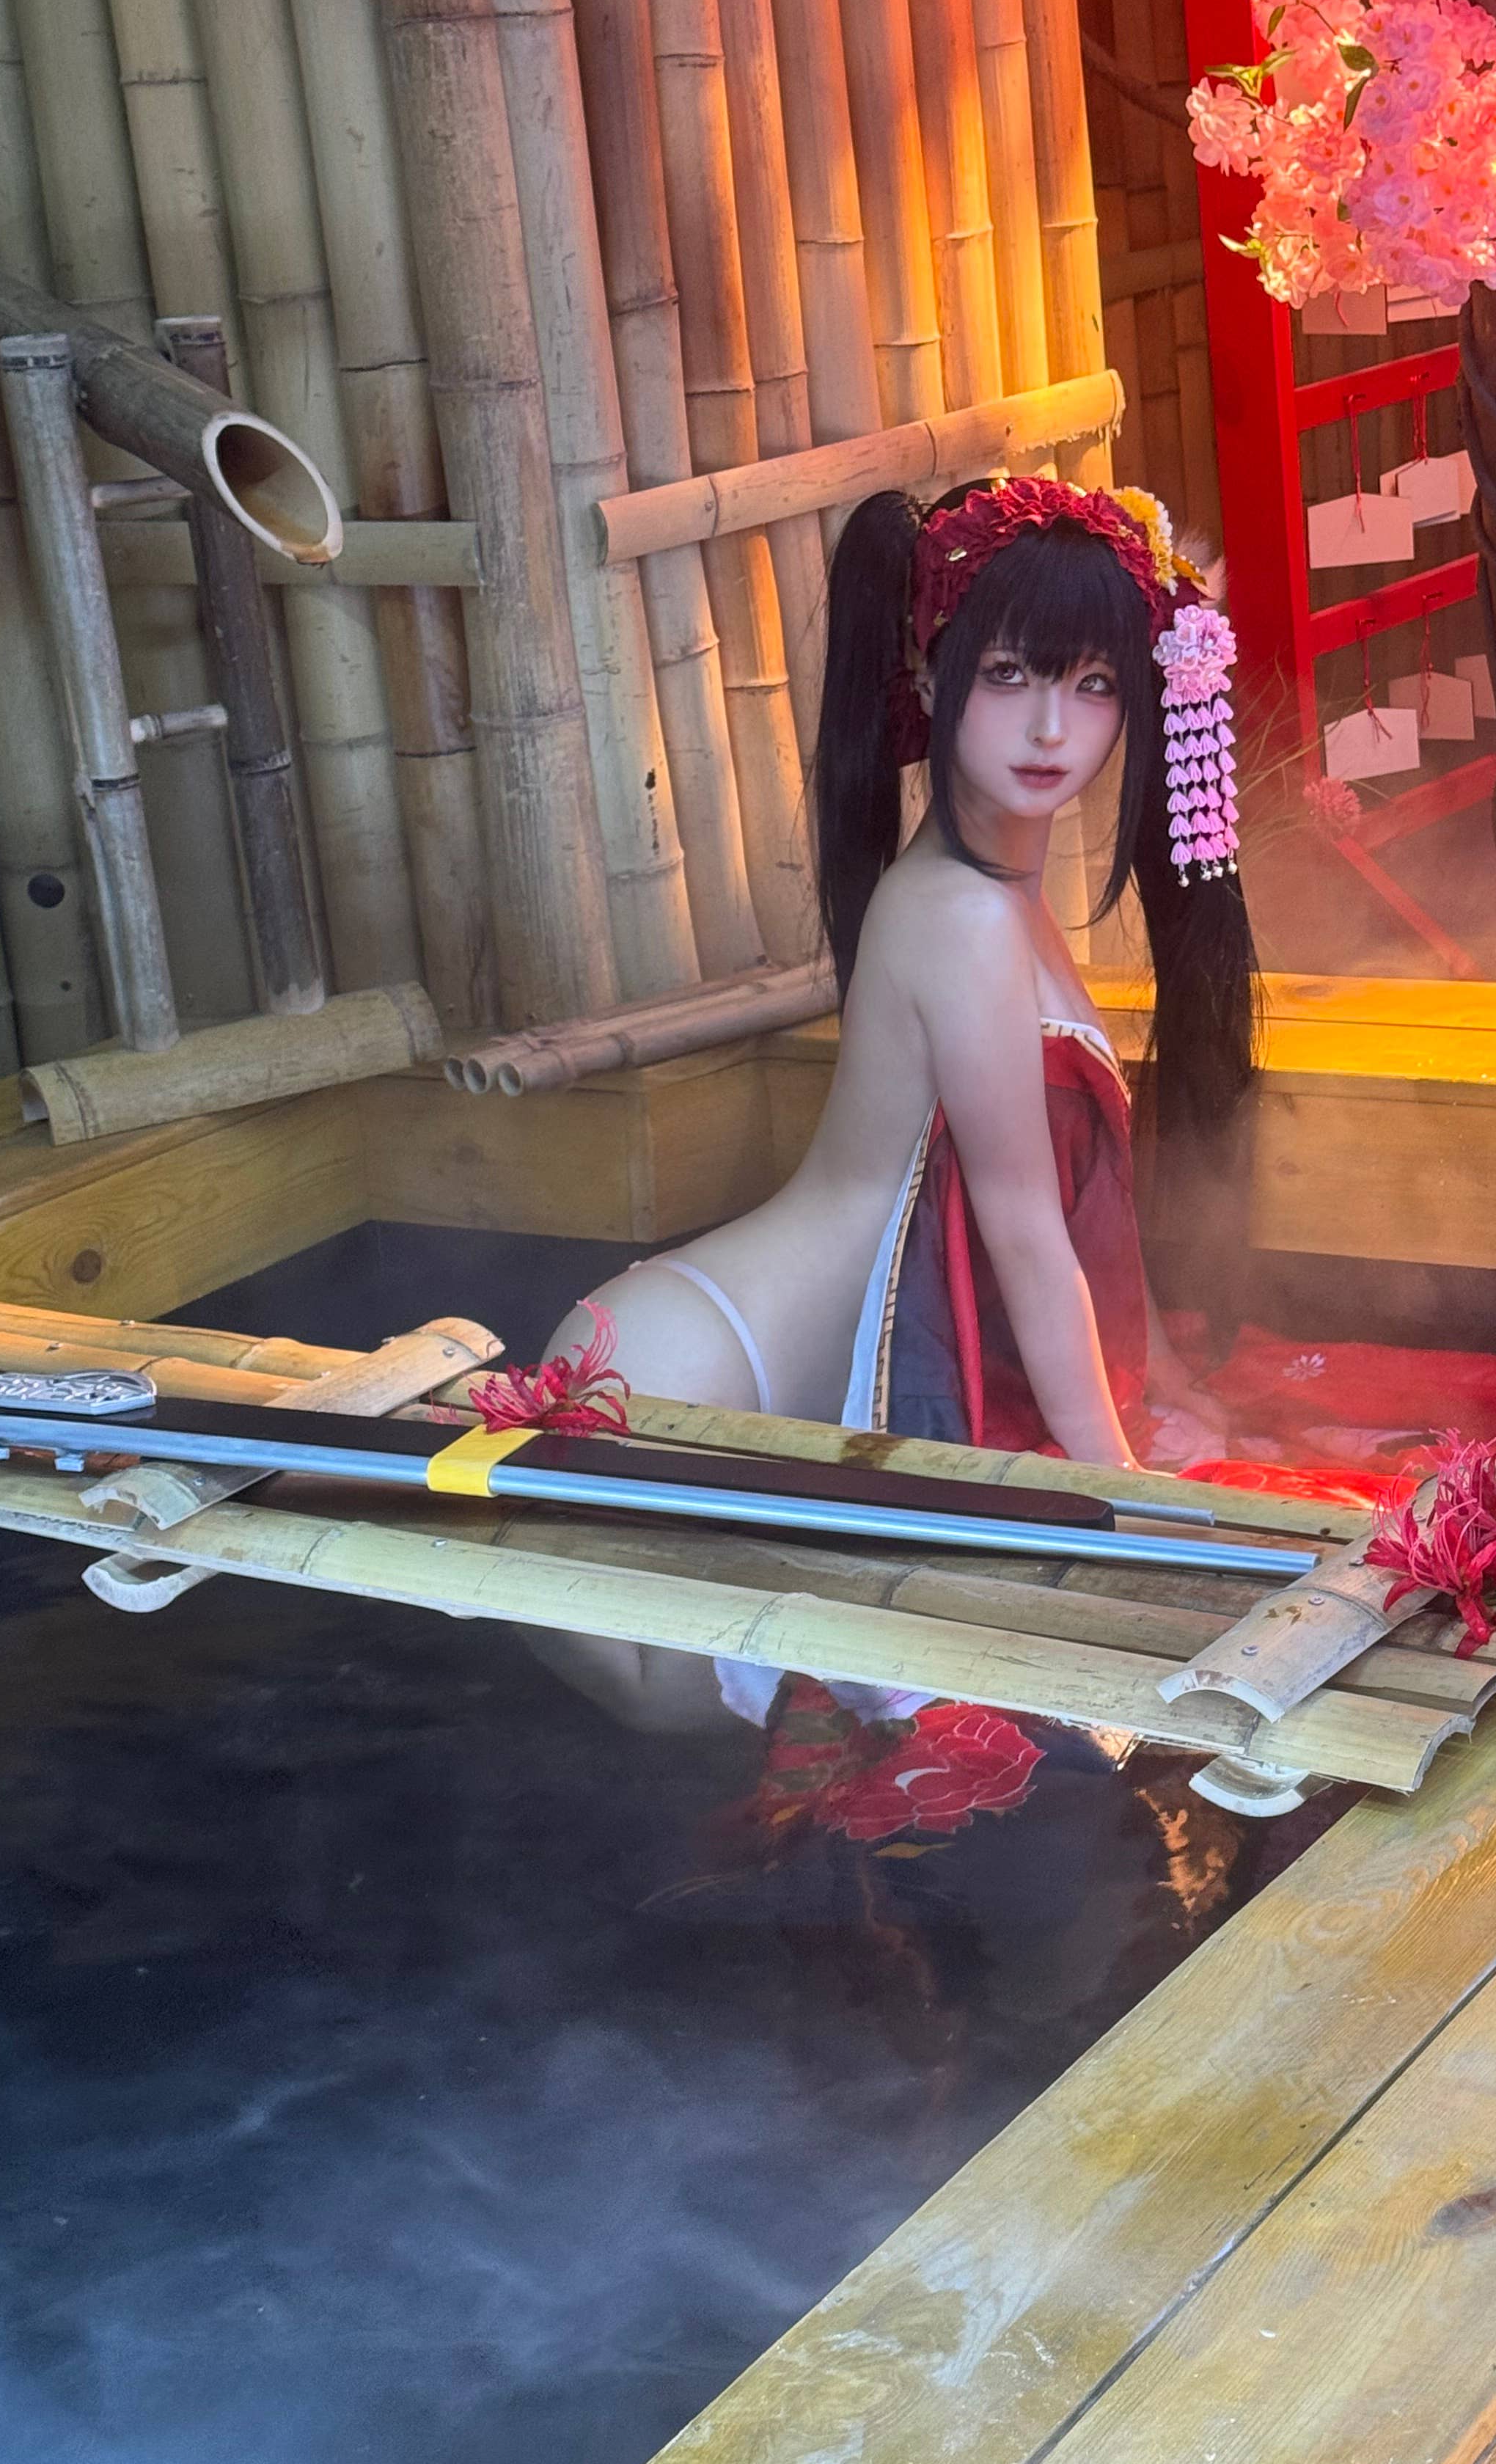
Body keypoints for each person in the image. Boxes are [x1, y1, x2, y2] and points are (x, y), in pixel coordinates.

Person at [529, 476, 1256, 1740]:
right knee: (705, 1719)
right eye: (1010, 675)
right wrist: (1125, 1493)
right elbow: (1024, 1233)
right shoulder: (962, 916)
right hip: (682, 1375)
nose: (1053, 727)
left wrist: (1161, 1393)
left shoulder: (1001, 901)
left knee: (755, 1721)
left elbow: (1054, 1226)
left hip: (761, 1370)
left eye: (1094, 685)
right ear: (929, 674)